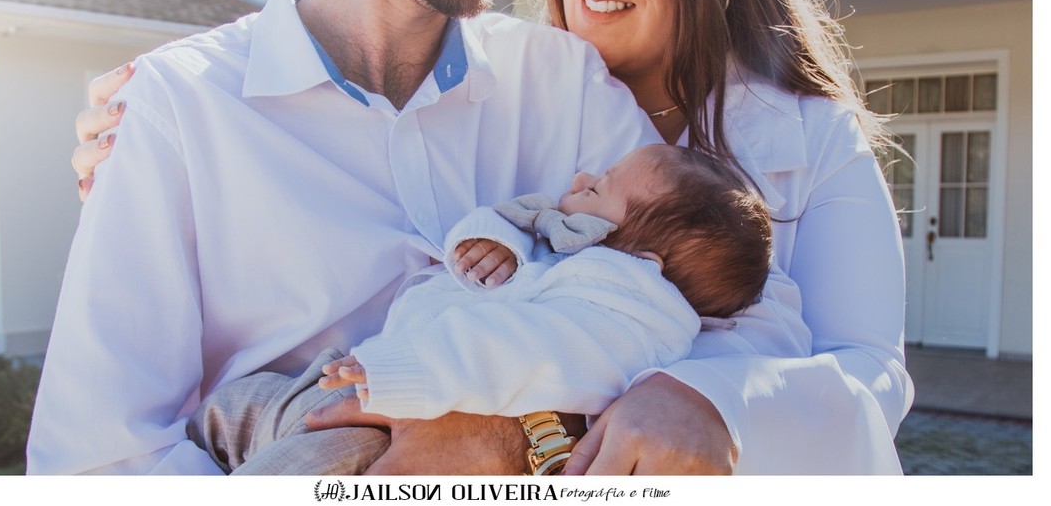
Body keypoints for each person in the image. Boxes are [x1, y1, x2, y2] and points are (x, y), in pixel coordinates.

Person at [62, 0, 911, 475]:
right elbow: (99, 458)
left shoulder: (569, 87)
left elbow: (743, 323)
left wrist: (513, 435)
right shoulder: (175, 110)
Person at [184, 143, 776, 475]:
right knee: (230, 411)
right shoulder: (571, 259)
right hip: (355, 382)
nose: (580, 177)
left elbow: (519, 351)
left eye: (598, 188)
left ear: (642, 261)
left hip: (396, 424)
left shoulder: (627, 312)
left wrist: (400, 373)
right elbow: (510, 226)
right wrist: (495, 241)